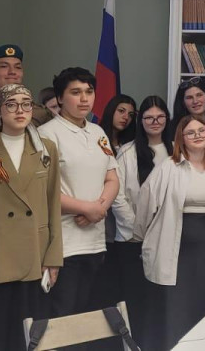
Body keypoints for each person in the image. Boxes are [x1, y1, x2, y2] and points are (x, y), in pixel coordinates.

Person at [0, 85, 62, 351]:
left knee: (31, 336)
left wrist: (53, 258)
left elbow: (53, 205)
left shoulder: (46, 149)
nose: (20, 110)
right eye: (12, 104)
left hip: (35, 255)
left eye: (26, 103)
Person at [134, 116, 205, 351]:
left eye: (202, 130)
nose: (197, 135)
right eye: (190, 132)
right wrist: (144, 236)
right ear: (181, 139)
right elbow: (146, 201)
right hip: (176, 248)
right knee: (177, 305)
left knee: (203, 301)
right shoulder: (169, 166)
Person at [37, 67, 120, 319]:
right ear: (60, 98)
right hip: (63, 245)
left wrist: (99, 208)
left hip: (95, 242)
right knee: (62, 318)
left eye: (89, 91)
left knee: (87, 319)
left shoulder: (97, 132)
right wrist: (86, 209)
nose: (84, 99)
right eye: (75, 92)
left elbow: (112, 178)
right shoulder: (46, 134)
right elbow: (42, 191)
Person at [108, 96, 171, 348]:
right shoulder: (127, 151)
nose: (155, 122)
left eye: (160, 117)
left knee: (162, 302)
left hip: (166, 241)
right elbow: (117, 195)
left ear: (167, 119)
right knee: (135, 301)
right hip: (132, 240)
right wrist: (138, 229)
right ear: (140, 121)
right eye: (148, 118)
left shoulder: (177, 149)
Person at [92, 95, 136, 311]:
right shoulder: (96, 137)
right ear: (111, 110)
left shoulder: (130, 145)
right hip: (99, 214)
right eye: (121, 111)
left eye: (131, 114)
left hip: (123, 224)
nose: (126, 117)